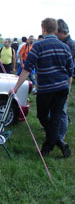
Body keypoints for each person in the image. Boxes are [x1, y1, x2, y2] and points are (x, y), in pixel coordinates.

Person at [11, 18, 73, 158]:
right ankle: (56, 144)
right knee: (56, 118)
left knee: (42, 115)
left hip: (47, 90)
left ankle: (50, 146)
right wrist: (68, 89)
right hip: (62, 88)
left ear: (43, 28)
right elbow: (70, 71)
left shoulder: (38, 46)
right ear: (56, 29)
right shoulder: (65, 47)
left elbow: (27, 69)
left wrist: (15, 88)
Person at [55, 19, 75, 147]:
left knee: (62, 111)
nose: (55, 35)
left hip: (64, 82)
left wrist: (68, 88)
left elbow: (70, 70)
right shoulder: (62, 42)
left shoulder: (70, 45)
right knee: (56, 109)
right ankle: (55, 132)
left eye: (56, 32)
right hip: (58, 81)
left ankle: (60, 139)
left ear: (61, 32)